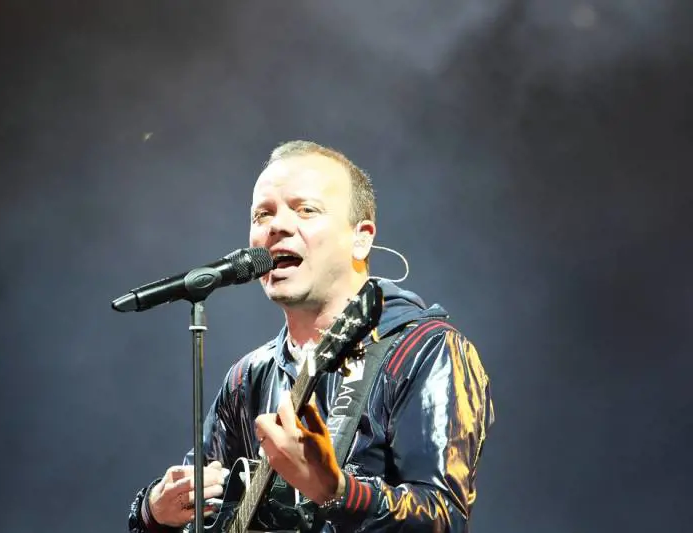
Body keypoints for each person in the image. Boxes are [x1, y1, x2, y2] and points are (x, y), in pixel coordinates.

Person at [128, 141, 494, 533]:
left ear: (361, 237)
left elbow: (444, 519)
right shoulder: (248, 377)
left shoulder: (424, 350)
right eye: (262, 214)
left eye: (305, 209)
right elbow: (196, 504)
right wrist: (154, 513)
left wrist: (337, 491)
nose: (277, 226)